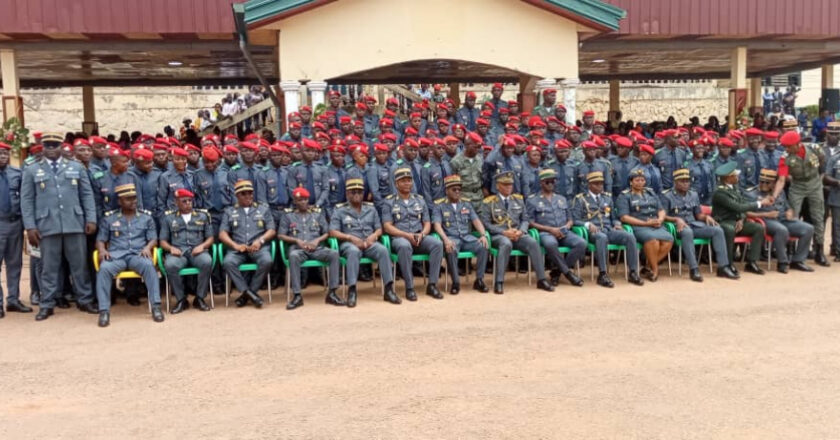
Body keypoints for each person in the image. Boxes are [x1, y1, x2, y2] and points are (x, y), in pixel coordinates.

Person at [21, 133, 98, 321]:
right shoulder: (32, 170)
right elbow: (27, 200)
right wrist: (30, 226)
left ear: (61, 146)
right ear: (42, 147)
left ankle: (85, 299)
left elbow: (87, 195)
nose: (51, 149)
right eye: (47, 145)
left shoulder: (75, 167)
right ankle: (47, 303)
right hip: (47, 225)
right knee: (49, 267)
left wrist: (91, 219)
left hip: (74, 223)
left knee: (79, 266)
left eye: (55, 145)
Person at [94, 183, 161, 327]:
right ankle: (104, 311)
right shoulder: (109, 219)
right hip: (116, 255)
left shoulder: (146, 218)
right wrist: (102, 250)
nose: (133, 202)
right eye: (128, 199)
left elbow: (153, 239)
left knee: (149, 267)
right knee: (104, 269)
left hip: (138, 254)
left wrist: (148, 247)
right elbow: (100, 239)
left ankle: (155, 307)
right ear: (120, 201)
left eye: (134, 198)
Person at [480, 171, 554, 294]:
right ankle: (499, 282)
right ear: (498, 186)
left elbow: (525, 219)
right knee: (506, 244)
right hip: (499, 236)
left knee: (533, 243)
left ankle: (541, 279)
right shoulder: (489, 202)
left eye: (510, 185)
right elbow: (486, 224)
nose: (509, 187)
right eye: (505, 185)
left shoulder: (518, 199)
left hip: (517, 234)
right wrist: (504, 232)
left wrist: (521, 231)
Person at [330, 178, 399, 306]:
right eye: (353, 192)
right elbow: (333, 231)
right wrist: (350, 238)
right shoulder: (339, 210)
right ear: (347, 194)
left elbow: (379, 229)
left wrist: (374, 236)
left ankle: (389, 290)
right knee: (353, 252)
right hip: (350, 243)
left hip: (369, 242)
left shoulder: (371, 209)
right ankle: (352, 291)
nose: (357, 194)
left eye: (360, 192)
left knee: (383, 250)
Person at [660, 169, 737, 280]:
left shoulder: (693, 194)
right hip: (679, 228)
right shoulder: (667, 196)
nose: (686, 183)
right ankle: (694, 269)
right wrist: (676, 219)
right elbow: (663, 216)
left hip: (694, 224)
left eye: (687, 181)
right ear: (675, 182)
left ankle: (723, 267)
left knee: (718, 230)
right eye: (682, 181)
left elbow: (698, 214)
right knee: (688, 232)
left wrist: (706, 217)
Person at [571, 171, 644, 287]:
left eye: (601, 183)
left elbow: (614, 217)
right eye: (596, 184)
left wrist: (617, 223)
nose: (600, 186)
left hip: (608, 229)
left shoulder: (607, 198)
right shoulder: (581, 199)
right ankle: (603, 274)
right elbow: (574, 220)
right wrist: (587, 224)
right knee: (601, 237)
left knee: (629, 236)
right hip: (593, 232)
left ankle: (633, 272)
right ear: (589, 185)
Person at [381, 167, 444, 301]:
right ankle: (409, 287)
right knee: (404, 246)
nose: (407, 183)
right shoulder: (389, 201)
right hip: (400, 238)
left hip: (418, 236)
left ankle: (432, 285)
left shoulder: (419, 200)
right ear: (396, 183)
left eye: (409, 180)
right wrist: (406, 235)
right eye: (403, 181)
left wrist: (422, 234)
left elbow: (427, 222)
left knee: (437, 244)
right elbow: (387, 226)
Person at [278, 187, 342, 309]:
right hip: (298, 250)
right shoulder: (288, 216)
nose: (303, 202)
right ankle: (297, 295)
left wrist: (317, 240)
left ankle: (332, 293)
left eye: (305, 199)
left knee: (334, 254)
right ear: (295, 202)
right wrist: (296, 240)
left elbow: (327, 232)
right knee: (293, 256)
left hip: (316, 249)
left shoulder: (317, 215)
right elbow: (280, 235)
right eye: (300, 200)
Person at [773, 130, 830, 266]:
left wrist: (820, 179)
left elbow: (822, 161)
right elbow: (781, 180)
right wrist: (774, 196)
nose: (786, 149)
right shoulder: (785, 157)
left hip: (814, 184)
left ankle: (819, 251)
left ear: (797, 144)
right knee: (793, 217)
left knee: (818, 216)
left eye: (788, 146)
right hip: (797, 185)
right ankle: (791, 251)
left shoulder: (814, 148)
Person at [219, 180, 276, 308]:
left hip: (258, 248)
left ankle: (248, 294)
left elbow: (271, 230)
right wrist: (234, 245)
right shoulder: (229, 211)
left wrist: (260, 241)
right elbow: (222, 233)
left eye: (250, 193)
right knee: (228, 262)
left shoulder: (263, 209)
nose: (248, 196)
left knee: (267, 260)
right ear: (237, 195)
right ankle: (249, 293)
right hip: (238, 249)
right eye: (244, 194)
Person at [526, 169, 586, 286]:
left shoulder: (561, 198)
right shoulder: (532, 200)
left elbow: (570, 219)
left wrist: (567, 226)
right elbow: (530, 222)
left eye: (553, 181)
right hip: (546, 232)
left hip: (564, 231)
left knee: (581, 243)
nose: (551, 184)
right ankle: (568, 273)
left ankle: (557, 272)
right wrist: (550, 230)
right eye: (548, 182)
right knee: (550, 244)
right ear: (541, 183)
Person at [432, 175, 490, 295]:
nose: (457, 192)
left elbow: (476, 221)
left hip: (467, 237)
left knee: (483, 246)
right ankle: (455, 283)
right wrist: (445, 240)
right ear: (447, 190)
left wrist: (483, 235)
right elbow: (437, 225)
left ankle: (479, 280)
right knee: (451, 250)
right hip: (451, 238)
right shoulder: (439, 205)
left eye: (459, 189)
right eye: (454, 189)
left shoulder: (466, 204)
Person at [748, 169, 814, 273]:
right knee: (781, 230)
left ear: (774, 183)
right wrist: (766, 214)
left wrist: (790, 212)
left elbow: (787, 207)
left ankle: (797, 261)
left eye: (767, 182)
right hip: (766, 220)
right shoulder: (752, 194)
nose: (763, 184)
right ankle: (782, 262)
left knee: (808, 228)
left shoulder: (780, 192)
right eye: (761, 181)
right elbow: (747, 212)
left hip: (783, 219)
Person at [159, 189, 214, 313]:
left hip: (197, 251)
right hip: (179, 253)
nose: (188, 203)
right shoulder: (168, 218)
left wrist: (203, 246)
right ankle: (181, 300)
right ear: (176, 202)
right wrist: (171, 248)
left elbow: (210, 238)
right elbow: (162, 241)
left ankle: (199, 298)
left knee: (206, 261)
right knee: (170, 264)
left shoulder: (203, 216)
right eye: (184, 201)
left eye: (190, 200)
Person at [712, 162, 769, 275]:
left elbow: (743, 207)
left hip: (737, 221)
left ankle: (752, 262)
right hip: (724, 221)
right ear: (728, 178)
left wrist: (741, 219)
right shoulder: (719, 192)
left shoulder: (735, 188)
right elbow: (738, 206)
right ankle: (728, 264)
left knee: (758, 228)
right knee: (729, 229)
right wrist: (759, 203)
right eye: (735, 175)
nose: (738, 177)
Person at [617, 169, 673, 282]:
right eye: (637, 180)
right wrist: (645, 223)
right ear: (631, 182)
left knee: (668, 239)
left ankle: (648, 266)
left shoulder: (651, 193)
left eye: (642, 180)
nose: (640, 182)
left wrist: (660, 219)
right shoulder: (625, 196)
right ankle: (655, 270)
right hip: (639, 226)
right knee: (653, 241)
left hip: (655, 225)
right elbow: (624, 217)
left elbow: (661, 210)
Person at [0, 142, 30, 317]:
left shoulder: (17, 173)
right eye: (0, 153)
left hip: (15, 223)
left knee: (14, 263)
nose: (3, 156)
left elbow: (25, 199)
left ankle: (13, 300)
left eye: (5, 153)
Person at [449, 132, 485, 209]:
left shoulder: (480, 159)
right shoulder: (456, 162)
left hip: (479, 198)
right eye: (475, 147)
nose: (478, 150)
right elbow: (452, 185)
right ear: (467, 145)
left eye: (479, 147)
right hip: (464, 198)